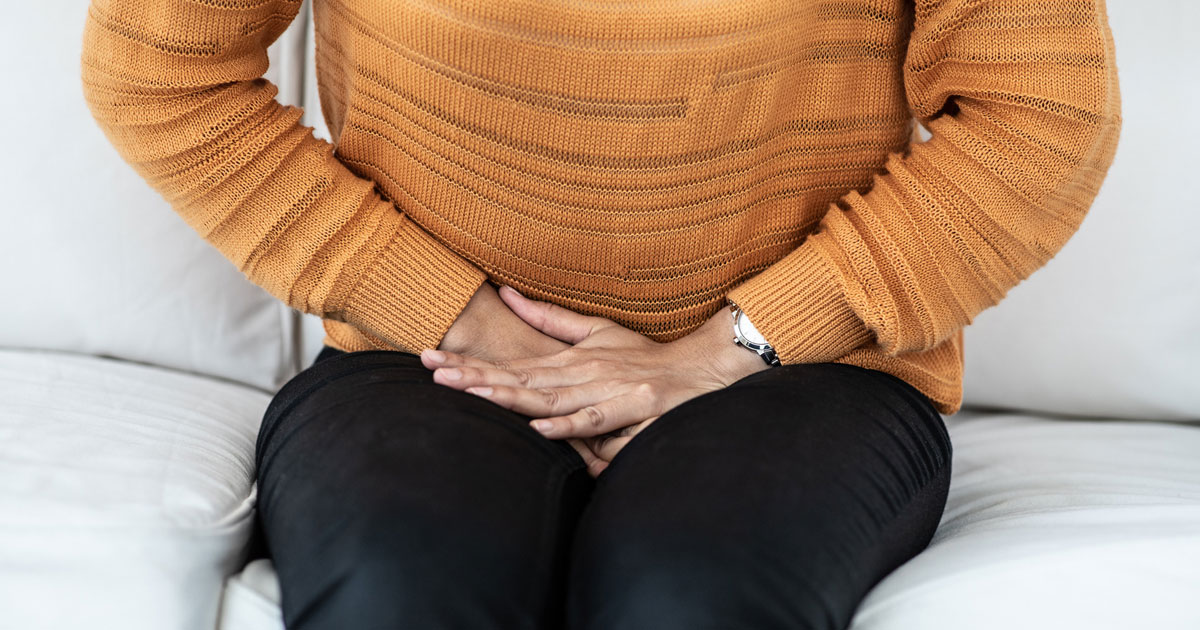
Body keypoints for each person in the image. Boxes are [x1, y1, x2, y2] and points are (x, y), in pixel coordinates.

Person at [81, 0, 1121, 627]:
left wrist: (735, 347)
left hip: (800, 377)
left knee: (692, 597)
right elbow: (158, 64)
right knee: (400, 586)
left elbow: (1044, 114)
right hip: (428, 361)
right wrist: (463, 319)